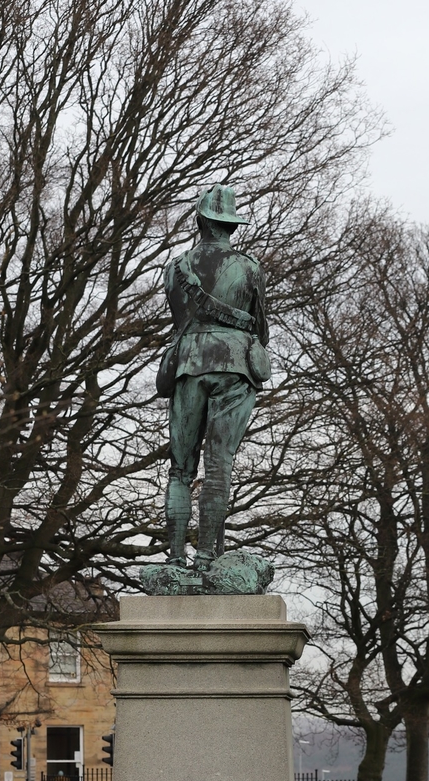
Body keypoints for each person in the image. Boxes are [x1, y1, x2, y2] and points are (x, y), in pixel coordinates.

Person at [160, 184, 270, 572]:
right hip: (235, 366)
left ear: (200, 220)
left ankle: (174, 558)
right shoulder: (250, 267)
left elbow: (176, 319)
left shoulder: (175, 267)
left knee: (180, 468)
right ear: (230, 225)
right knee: (219, 463)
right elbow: (261, 328)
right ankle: (207, 557)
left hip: (187, 363)